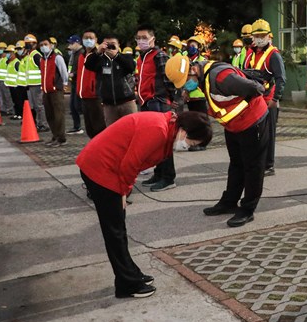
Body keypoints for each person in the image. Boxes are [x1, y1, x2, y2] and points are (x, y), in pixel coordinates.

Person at [76, 102, 213, 299]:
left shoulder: (167, 126)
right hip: (100, 168)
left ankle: (131, 273)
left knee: (118, 229)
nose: (187, 147)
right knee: (114, 232)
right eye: (191, 143)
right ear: (184, 131)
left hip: (109, 167)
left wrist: (123, 191)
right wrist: (124, 192)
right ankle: (126, 284)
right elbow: (130, 165)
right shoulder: (158, 130)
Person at [168, 54, 270, 228]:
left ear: (193, 70)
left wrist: (246, 103)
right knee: (236, 164)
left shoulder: (221, 77)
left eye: (186, 81)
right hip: (233, 126)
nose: (186, 86)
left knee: (253, 167)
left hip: (253, 123)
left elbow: (256, 88)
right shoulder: (203, 77)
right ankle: (229, 202)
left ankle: (247, 209)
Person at [134, 24, 176, 191]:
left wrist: (169, 100)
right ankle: (159, 173)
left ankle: (168, 177)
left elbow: (169, 80)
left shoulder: (159, 55)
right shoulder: (142, 57)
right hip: (146, 102)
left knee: (163, 142)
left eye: (144, 37)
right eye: (138, 38)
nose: (141, 41)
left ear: (153, 39)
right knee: (155, 143)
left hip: (158, 102)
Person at [247, 19, 286, 175]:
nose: (260, 38)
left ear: (269, 36)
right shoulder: (251, 53)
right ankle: (258, 161)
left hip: (268, 100)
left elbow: (281, 78)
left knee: (268, 134)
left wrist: (275, 100)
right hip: (255, 99)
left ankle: (268, 165)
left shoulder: (274, 55)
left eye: (263, 35)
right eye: (257, 35)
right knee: (256, 134)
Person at [86, 35, 138, 125]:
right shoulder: (100, 60)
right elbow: (88, 65)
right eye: (107, 44)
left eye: (113, 44)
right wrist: (98, 52)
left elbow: (131, 66)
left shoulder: (125, 57)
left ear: (118, 45)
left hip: (127, 101)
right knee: (112, 131)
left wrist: (116, 56)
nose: (110, 47)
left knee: (132, 127)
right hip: (108, 104)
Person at [73, 30, 106, 137]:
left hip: (95, 96)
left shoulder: (99, 55)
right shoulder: (81, 56)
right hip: (83, 96)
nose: (88, 40)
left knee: (99, 127)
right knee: (89, 128)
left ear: (96, 40)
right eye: (85, 38)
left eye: (91, 38)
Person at [38, 37, 69, 146]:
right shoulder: (42, 59)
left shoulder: (57, 57)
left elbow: (64, 71)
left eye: (45, 44)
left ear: (51, 45)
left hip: (56, 90)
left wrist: (65, 84)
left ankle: (61, 138)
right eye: (41, 45)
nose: (43, 47)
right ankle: (55, 135)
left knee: (58, 114)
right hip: (46, 90)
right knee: (49, 114)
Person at [20, 34, 49, 131]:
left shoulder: (36, 55)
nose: (28, 45)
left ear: (35, 44)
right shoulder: (29, 55)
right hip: (31, 85)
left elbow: (43, 69)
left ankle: (43, 125)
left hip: (37, 84)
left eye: (30, 43)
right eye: (26, 43)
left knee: (39, 106)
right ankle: (39, 123)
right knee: (35, 106)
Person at [181, 36, 208, 116]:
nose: (191, 48)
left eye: (193, 46)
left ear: (199, 47)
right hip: (188, 97)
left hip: (200, 96)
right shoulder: (184, 60)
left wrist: (187, 90)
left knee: (203, 121)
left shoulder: (203, 61)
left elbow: (202, 78)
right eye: (189, 45)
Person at [66, 35, 85, 135]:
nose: (70, 45)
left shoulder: (81, 53)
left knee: (78, 106)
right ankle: (76, 126)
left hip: (79, 82)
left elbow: (82, 68)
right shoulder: (75, 54)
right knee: (73, 106)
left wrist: (74, 74)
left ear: (77, 43)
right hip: (74, 82)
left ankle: (78, 126)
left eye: (71, 43)